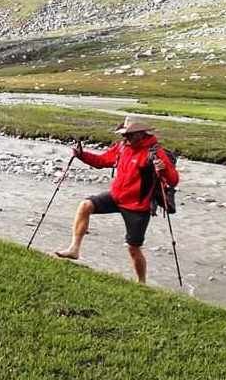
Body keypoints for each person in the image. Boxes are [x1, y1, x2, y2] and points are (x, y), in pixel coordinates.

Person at [55, 116, 179, 284]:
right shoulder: (122, 147)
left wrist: (163, 171)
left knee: (133, 248)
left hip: (137, 207)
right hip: (116, 197)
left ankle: (141, 282)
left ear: (142, 134)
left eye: (129, 135)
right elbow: (102, 161)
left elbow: (173, 180)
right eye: (124, 134)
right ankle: (74, 249)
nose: (125, 138)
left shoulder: (155, 152)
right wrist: (81, 155)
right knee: (85, 206)